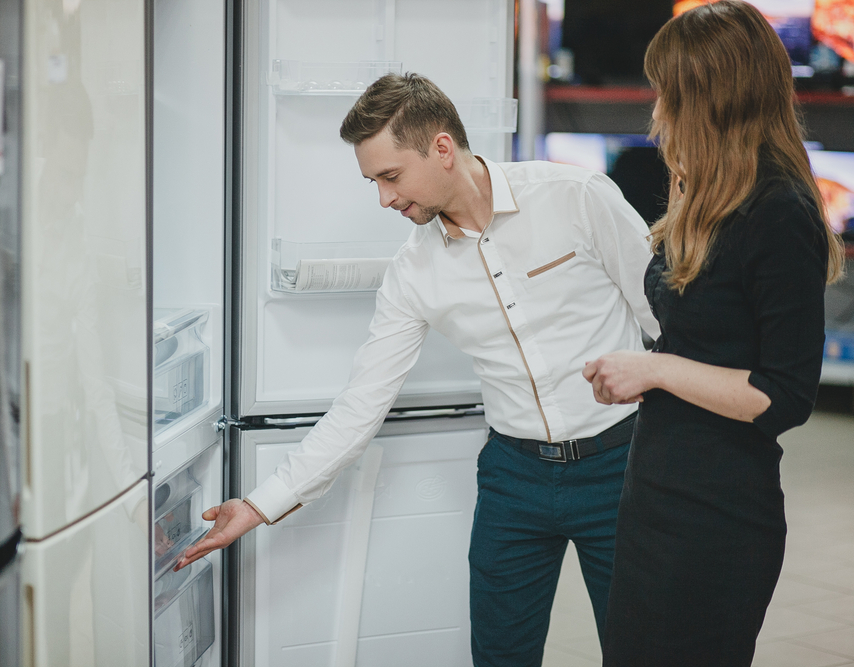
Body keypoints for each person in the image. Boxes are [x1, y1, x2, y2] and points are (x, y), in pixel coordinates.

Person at [177, 72, 659, 666]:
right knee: (501, 654)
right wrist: (258, 505)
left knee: (642, 647)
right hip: (514, 479)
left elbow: (666, 318)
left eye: (390, 176)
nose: (383, 198)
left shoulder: (576, 196)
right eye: (374, 181)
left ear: (442, 148)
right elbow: (361, 403)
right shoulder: (413, 273)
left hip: (622, 465)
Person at [581, 3, 845, 665]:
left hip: (718, 512)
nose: (659, 107)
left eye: (670, 91)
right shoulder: (703, 190)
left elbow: (784, 395)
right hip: (656, 490)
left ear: (715, 96)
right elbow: (703, 337)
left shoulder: (779, 210)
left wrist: (656, 371)